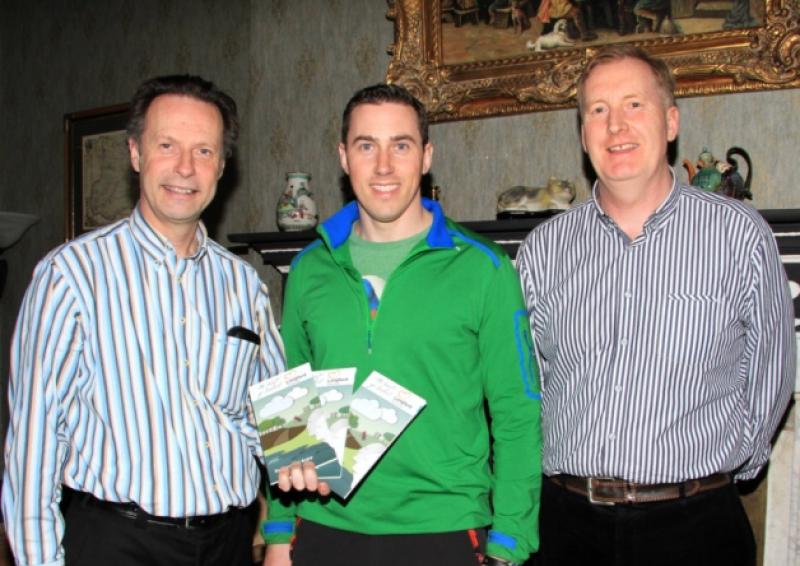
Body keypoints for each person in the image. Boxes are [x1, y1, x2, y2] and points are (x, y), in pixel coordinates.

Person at [516, 45, 795, 566]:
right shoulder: (543, 250)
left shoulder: (738, 235)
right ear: (583, 133)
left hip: (695, 529)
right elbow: (525, 385)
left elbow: (771, 371)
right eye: (598, 110)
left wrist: (721, 476)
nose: (615, 126)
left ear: (671, 122)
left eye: (633, 106)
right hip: (563, 526)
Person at [3, 75, 286, 566]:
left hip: (229, 545)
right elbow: (33, 449)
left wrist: (357, 437)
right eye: (167, 145)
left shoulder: (244, 285)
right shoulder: (70, 277)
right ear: (135, 153)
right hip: (119, 544)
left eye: (203, 151)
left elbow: (282, 424)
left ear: (222, 165)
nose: (184, 167)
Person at [261, 84, 543, 566]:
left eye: (401, 145)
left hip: (445, 531)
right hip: (325, 529)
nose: (384, 165)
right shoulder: (310, 267)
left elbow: (518, 414)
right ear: (344, 158)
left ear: (426, 155)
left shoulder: (484, 268)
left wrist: (509, 545)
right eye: (366, 145)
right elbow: (291, 403)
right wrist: (278, 535)